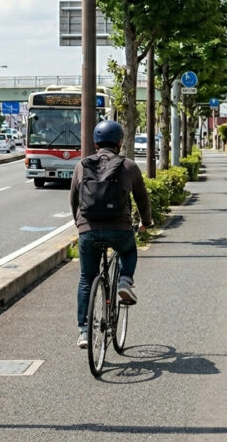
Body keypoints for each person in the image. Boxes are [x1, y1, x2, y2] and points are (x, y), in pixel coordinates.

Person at [70, 120, 153, 349]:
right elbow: (142, 198)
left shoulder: (82, 166)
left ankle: (84, 331)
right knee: (128, 250)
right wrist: (146, 222)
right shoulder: (129, 166)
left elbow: (74, 199)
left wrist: (80, 224)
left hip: (88, 230)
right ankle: (125, 280)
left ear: (96, 142)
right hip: (119, 229)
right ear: (120, 142)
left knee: (87, 278)